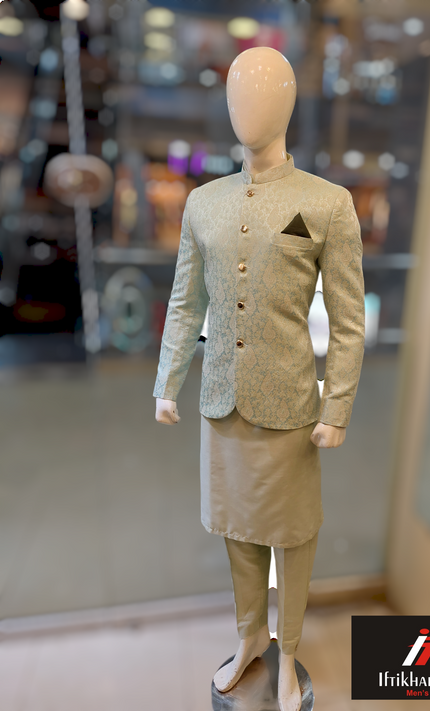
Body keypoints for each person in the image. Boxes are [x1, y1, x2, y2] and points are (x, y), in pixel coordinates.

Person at [154, 47, 365, 711]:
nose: (247, 107)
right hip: (222, 402)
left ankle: (289, 650)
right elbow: (186, 302)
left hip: (291, 407)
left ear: (289, 104)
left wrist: (336, 406)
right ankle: (250, 637)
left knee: (292, 536)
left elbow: (349, 320)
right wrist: (166, 382)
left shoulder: (326, 203)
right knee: (237, 532)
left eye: (263, 93)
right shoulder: (203, 202)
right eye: (237, 94)